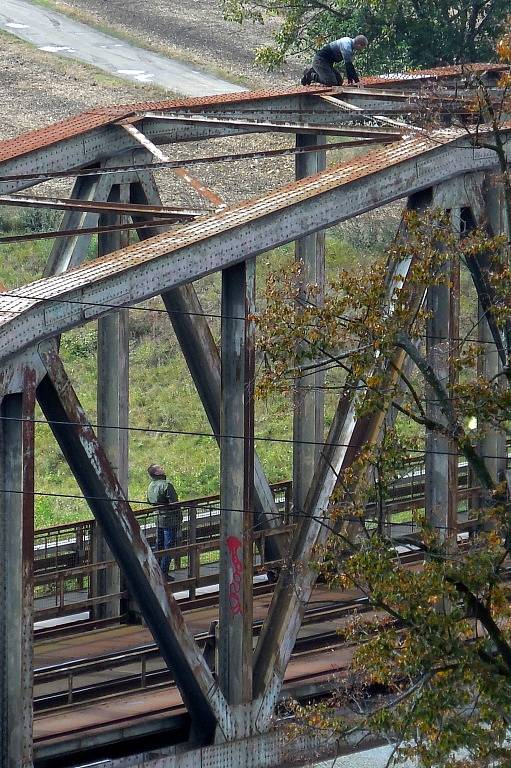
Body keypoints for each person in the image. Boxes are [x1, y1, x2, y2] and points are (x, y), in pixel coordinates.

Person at [147, 464, 182, 580]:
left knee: (159, 545)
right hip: (170, 520)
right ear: (157, 473)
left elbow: (150, 501)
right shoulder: (166, 485)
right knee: (169, 546)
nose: (163, 468)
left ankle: (156, 572)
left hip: (158, 518)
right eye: (160, 468)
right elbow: (174, 503)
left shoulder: (151, 486)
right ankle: (163, 573)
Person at [301, 35, 368, 87]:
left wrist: (350, 80)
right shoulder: (346, 46)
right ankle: (310, 75)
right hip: (320, 61)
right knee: (331, 82)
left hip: (327, 63)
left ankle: (314, 71)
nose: (362, 49)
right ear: (359, 45)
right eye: (363, 47)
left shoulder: (349, 44)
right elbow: (349, 65)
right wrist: (357, 81)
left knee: (339, 82)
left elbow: (349, 65)